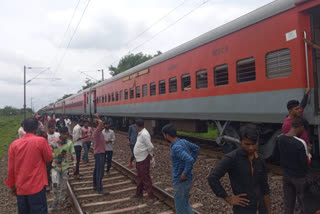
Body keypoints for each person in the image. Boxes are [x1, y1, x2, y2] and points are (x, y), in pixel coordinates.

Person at [208, 124, 271, 214]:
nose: (251, 148)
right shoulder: (232, 158)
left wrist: (268, 211)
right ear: (241, 141)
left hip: (260, 209)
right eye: (247, 144)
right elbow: (212, 178)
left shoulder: (260, 159)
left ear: (258, 141)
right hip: (243, 209)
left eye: (254, 144)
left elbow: (265, 187)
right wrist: (228, 199)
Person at [5, 118, 53, 214]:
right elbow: (49, 158)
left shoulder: (14, 144)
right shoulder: (41, 141)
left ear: (24, 128)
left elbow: (11, 168)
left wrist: (12, 185)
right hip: (37, 186)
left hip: (21, 187)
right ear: (36, 128)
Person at [274, 117, 309, 214]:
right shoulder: (300, 143)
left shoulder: (280, 138)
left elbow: (277, 156)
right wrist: (308, 154)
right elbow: (304, 164)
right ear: (300, 127)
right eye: (303, 129)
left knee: (289, 204)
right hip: (299, 178)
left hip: (286, 176)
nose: (303, 132)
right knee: (304, 204)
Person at [162, 123, 200, 214]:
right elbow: (196, 148)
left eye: (164, 135)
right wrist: (189, 167)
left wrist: (184, 173)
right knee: (185, 204)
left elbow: (189, 160)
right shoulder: (183, 141)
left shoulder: (176, 147)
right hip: (188, 179)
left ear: (167, 135)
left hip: (180, 181)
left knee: (180, 208)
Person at [50, 127, 76, 210]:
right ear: (60, 134)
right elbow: (48, 154)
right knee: (55, 185)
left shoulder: (69, 143)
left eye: (66, 134)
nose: (65, 136)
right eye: (64, 134)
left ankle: (62, 202)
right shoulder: (53, 143)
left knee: (64, 186)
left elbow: (73, 154)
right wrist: (57, 155)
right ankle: (55, 201)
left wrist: (74, 164)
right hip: (55, 167)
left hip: (65, 168)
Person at [133, 119, 156, 200]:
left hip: (143, 158)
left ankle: (151, 196)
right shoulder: (141, 133)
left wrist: (151, 157)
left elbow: (150, 147)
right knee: (140, 177)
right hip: (140, 159)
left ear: (137, 126)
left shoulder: (144, 134)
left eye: (135, 125)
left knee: (145, 177)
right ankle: (139, 193)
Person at [92, 114, 109, 195]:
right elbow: (101, 123)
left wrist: (98, 118)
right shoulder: (97, 132)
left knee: (96, 170)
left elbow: (101, 124)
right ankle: (100, 188)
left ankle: (95, 185)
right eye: (102, 125)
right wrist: (98, 119)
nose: (103, 126)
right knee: (100, 171)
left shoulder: (98, 132)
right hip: (99, 154)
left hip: (99, 153)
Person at [47, 123, 60, 191]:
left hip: (56, 155)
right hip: (48, 156)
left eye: (54, 128)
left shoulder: (57, 134)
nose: (53, 130)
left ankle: (55, 183)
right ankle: (48, 184)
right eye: (51, 128)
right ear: (48, 128)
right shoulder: (46, 136)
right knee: (48, 170)